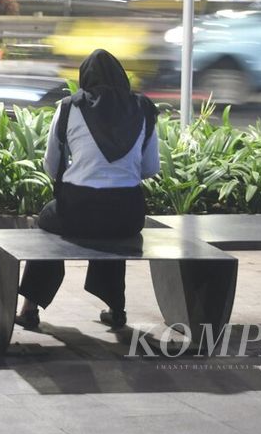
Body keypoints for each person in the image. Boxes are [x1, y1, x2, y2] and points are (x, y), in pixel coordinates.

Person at [15, 49, 160, 331]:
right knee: (113, 224)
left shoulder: (70, 107)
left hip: (77, 211)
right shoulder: (143, 109)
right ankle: (116, 307)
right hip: (127, 216)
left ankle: (30, 308)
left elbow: (51, 165)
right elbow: (150, 168)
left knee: (46, 224)